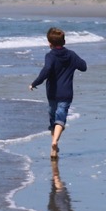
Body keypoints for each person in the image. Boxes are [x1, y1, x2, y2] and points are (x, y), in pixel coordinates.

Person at [29, 27, 88, 159]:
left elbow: (46, 70)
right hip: (66, 93)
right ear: (64, 41)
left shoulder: (50, 56)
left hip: (52, 93)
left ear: (50, 43)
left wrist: (34, 83)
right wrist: (73, 64)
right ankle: (55, 144)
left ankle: (53, 148)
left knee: (54, 120)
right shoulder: (71, 55)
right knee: (60, 119)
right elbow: (83, 66)